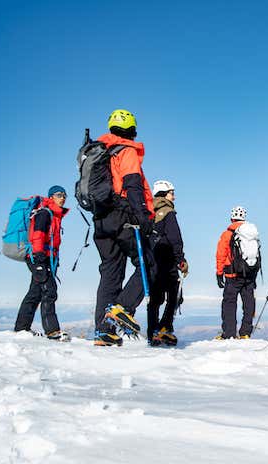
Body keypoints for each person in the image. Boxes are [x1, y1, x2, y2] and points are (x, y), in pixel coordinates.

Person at [93, 109, 156, 346]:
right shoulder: (125, 150)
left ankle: (103, 331)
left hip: (100, 218)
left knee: (110, 271)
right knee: (149, 263)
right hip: (123, 214)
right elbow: (133, 184)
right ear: (132, 128)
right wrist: (143, 218)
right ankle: (123, 307)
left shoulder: (99, 151)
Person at [14, 186, 69, 341]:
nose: (63, 198)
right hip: (38, 257)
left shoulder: (54, 215)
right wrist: (39, 261)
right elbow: (38, 236)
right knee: (49, 291)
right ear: (51, 197)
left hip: (44, 258)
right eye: (59, 195)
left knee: (35, 292)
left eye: (64, 195)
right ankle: (52, 331)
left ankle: (21, 328)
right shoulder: (45, 213)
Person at [146, 180, 188, 346]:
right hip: (168, 259)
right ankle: (165, 328)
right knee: (175, 296)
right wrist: (181, 259)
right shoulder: (168, 211)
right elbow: (175, 237)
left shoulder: (150, 211)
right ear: (164, 194)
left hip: (152, 259)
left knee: (155, 299)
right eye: (172, 193)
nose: (174, 196)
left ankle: (153, 333)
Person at [215, 206, 257, 340]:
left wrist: (219, 272)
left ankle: (229, 333)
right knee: (248, 303)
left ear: (232, 218)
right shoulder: (251, 234)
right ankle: (245, 332)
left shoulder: (227, 233)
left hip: (232, 274)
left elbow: (221, 254)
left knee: (229, 303)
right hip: (249, 274)